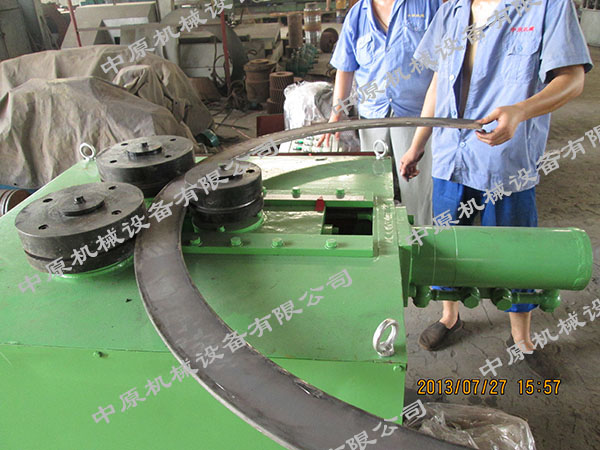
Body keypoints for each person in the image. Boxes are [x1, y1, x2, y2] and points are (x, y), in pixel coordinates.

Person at [400, 0, 592, 377]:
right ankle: (450, 316)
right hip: (452, 155)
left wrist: (521, 110)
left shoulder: (547, 7)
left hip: (506, 160)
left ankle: (521, 337)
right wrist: (417, 144)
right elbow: (439, 81)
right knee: (447, 243)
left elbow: (572, 79)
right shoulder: (452, 10)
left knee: (516, 249)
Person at [319, 0, 443, 225]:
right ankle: (382, 238)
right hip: (372, 118)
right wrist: (336, 113)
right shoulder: (358, 15)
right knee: (376, 188)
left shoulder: (428, 5)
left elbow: (443, 62)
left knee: (416, 191)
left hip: (414, 118)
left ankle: (419, 237)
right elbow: (345, 68)